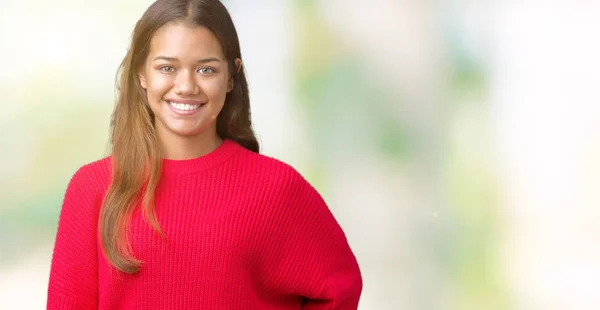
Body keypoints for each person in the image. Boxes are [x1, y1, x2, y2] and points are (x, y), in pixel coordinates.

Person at [46, 0, 362, 309]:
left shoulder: (277, 189)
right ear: (142, 73)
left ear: (230, 76)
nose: (186, 86)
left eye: (206, 69)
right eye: (167, 67)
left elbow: (339, 287)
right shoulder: (92, 188)